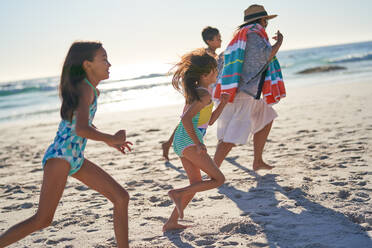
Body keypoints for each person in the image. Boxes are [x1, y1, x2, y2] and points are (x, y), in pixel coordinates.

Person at [0, 42, 132, 248]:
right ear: (87, 64)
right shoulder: (85, 90)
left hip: (74, 158)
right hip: (60, 157)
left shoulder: (89, 90)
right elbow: (80, 130)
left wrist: (109, 141)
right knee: (42, 219)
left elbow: (82, 123)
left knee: (121, 197)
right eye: (104, 59)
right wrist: (111, 138)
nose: (109, 64)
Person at [163, 50, 229, 232]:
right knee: (218, 179)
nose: (217, 73)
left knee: (195, 184)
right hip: (188, 140)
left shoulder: (202, 93)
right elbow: (185, 119)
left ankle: (171, 223)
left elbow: (209, 121)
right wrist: (198, 143)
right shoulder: (204, 95)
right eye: (215, 70)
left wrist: (222, 103)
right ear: (205, 74)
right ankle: (177, 193)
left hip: (183, 141)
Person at [213, 4, 284, 171]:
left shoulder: (241, 35)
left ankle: (257, 161)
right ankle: (213, 170)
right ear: (261, 19)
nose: (266, 23)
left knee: (266, 117)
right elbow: (265, 56)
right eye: (266, 19)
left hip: (244, 89)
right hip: (243, 91)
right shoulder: (254, 34)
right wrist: (279, 42)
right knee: (232, 134)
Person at [162, 27, 222, 161]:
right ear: (209, 40)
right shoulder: (206, 57)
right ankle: (170, 143)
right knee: (191, 116)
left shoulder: (215, 55)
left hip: (206, 87)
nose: (220, 40)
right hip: (203, 87)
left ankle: (169, 143)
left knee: (193, 116)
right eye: (218, 38)